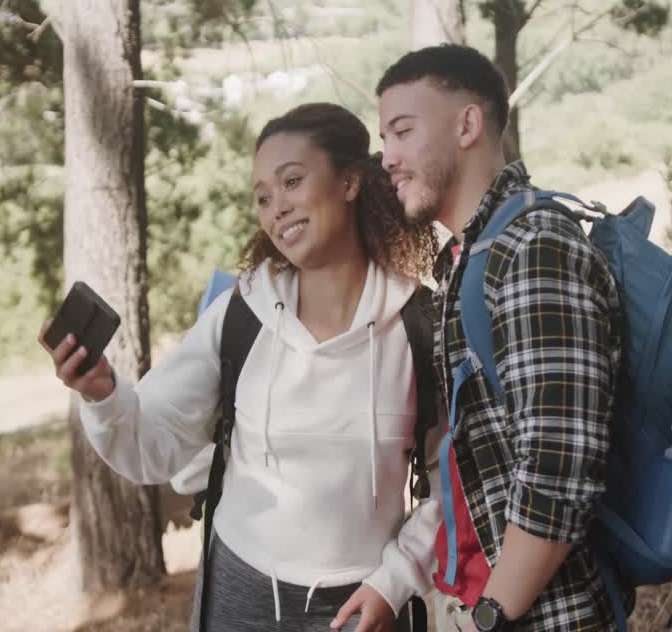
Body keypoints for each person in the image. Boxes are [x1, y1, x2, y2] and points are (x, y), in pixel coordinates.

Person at [41, 102, 443, 632]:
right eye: (262, 197)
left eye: (292, 181)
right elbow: (150, 444)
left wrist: (393, 582)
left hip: (363, 608)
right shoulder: (240, 312)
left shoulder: (419, 326)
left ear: (349, 181)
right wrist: (103, 393)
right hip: (239, 593)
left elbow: (456, 484)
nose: (277, 207)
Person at [375, 44, 624, 632]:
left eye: (402, 131)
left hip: (538, 617)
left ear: (467, 124)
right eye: (384, 138)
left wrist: (493, 616)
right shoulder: (471, 257)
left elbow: (558, 470)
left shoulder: (532, 248)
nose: (387, 157)